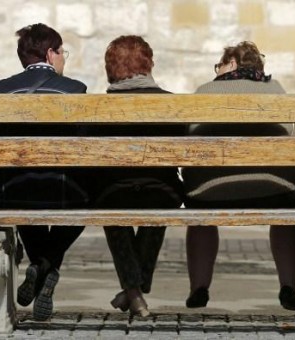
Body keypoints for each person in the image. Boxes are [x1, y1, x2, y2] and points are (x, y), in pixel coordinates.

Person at [182, 41, 295, 311]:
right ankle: (288, 285)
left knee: (200, 219)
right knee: (286, 217)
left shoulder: (204, 92)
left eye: (221, 64)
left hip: (209, 192)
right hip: (275, 190)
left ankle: (199, 287)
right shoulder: (277, 91)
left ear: (232, 64)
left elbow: (189, 141)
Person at [0, 23, 88, 321]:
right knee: (85, 201)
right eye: (62, 53)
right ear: (50, 53)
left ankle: (38, 264)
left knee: (23, 198)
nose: (64, 59)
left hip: (14, 188)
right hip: (63, 187)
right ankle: (45, 264)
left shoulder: (3, 89)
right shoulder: (75, 90)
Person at [92, 35, 185, 317]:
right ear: (149, 64)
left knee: (112, 211)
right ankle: (136, 288)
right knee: (157, 207)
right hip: (162, 191)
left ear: (111, 68)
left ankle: (133, 292)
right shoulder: (173, 105)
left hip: (113, 192)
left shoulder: (95, 109)